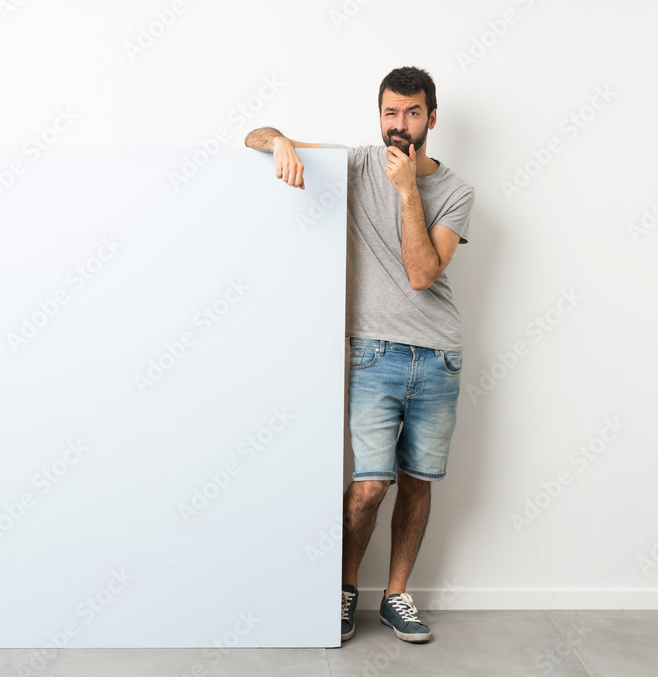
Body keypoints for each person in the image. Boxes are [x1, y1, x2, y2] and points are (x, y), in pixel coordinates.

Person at [244, 66, 474, 645]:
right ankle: (345, 591)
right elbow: (254, 134)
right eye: (391, 113)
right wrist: (279, 144)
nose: (401, 125)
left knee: (416, 481)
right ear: (379, 116)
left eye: (413, 113)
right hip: (372, 353)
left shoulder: (456, 191)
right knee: (369, 485)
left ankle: (397, 596)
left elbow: (423, 273)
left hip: (438, 354)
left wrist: (406, 193)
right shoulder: (359, 162)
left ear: (431, 118)